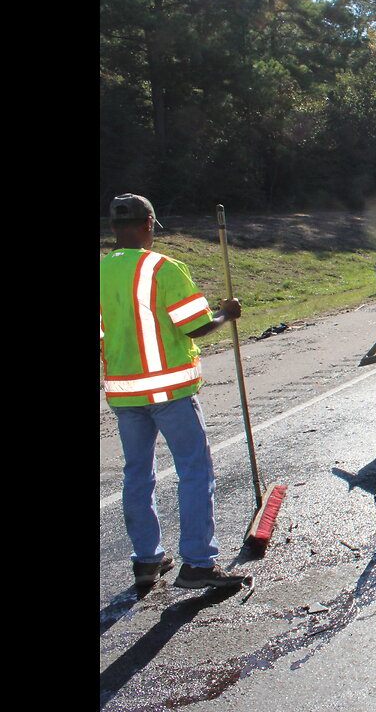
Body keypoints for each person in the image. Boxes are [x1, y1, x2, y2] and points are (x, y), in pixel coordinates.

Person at [101, 193, 249, 590]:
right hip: (170, 393)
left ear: (114, 228)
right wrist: (226, 314)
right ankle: (198, 563)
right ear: (149, 225)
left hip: (124, 394)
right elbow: (196, 326)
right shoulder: (163, 267)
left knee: (137, 475)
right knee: (195, 471)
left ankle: (147, 561)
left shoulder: (100, 271)